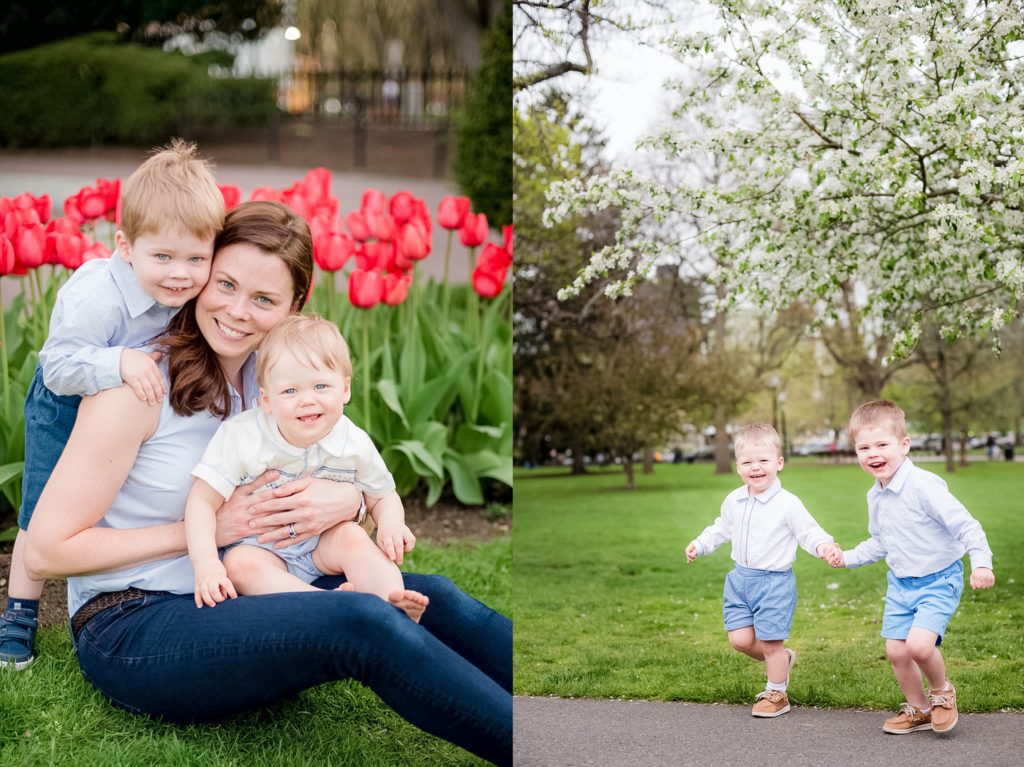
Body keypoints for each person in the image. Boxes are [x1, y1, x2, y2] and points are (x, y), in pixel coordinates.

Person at [23, 201, 512, 766]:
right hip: (132, 623)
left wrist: (350, 501)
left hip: (250, 588)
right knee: (363, 621)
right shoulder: (139, 386)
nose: (236, 312)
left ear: (294, 305)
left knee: (434, 599)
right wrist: (200, 530)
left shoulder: (275, 381)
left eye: (263, 299)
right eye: (225, 284)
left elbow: (344, 463)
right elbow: (47, 549)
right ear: (204, 274)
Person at [0, 139, 223, 670]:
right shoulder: (96, 295)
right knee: (42, 508)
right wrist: (117, 362)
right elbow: (57, 364)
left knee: (107, 500)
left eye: (197, 258)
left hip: (128, 411)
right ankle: (20, 613)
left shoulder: (189, 292)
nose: (180, 274)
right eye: (163, 257)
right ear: (125, 245)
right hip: (67, 399)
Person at [186, 313, 428, 622]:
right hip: (263, 548)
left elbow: (381, 495)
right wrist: (206, 563)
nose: (307, 400)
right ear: (266, 400)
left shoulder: (352, 442)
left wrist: (392, 523)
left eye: (321, 386)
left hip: (323, 546)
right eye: (290, 391)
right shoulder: (243, 437)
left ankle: (394, 605)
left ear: (345, 389)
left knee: (353, 539)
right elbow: (201, 501)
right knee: (239, 565)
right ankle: (324, 604)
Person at [827, 400, 994, 735]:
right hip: (901, 584)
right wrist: (847, 557)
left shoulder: (923, 485)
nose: (873, 453)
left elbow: (966, 526)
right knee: (897, 652)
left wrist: (981, 564)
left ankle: (942, 693)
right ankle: (918, 710)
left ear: (904, 444)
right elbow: (880, 541)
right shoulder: (875, 495)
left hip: (938, 579)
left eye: (881, 445)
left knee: (919, 646)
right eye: (864, 447)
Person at [685, 423, 838, 718]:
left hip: (774, 583)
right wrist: (700, 544)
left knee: (769, 643)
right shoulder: (734, 499)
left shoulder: (787, 504)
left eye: (763, 461)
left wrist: (824, 547)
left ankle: (777, 692)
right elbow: (721, 527)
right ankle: (782, 659)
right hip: (740, 580)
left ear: (778, 463)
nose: (755, 468)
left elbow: (809, 531)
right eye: (747, 462)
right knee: (740, 640)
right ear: (738, 466)